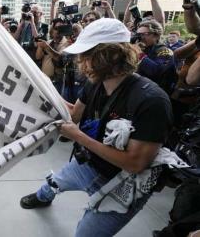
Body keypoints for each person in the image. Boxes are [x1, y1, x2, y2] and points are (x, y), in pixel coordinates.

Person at [20, 18, 173, 237]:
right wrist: (45, 94)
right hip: (89, 163)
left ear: (110, 54)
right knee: (55, 182)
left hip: (124, 184)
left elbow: (136, 163)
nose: (81, 63)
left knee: (86, 234)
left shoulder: (152, 100)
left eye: (88, 56)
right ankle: (43, 197)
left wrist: (79, 137)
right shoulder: (95, 83)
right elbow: (75, 115)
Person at [135, 20, 177, 94]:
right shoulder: (142, 48)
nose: (140, 38)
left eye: (145, 34)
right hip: (140, 89)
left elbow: (156, 71)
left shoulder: (164, 51)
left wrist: (139, 53)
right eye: (138, 34)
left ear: (156, 35)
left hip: (156, 93)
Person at [35, 18, 69, 90]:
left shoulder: (67, 43)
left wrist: (46, 47)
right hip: (45, 79)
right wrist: (40, 45)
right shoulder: (48, 42)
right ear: (52, 29)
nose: (58, 31)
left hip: (57, 82)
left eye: (61, 28)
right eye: (56, 28)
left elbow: (60, 59)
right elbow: (38, 57)